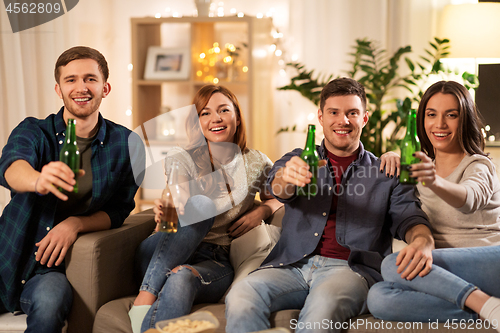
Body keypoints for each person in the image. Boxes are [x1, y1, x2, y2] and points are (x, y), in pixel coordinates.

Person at [224, 77, 435, 333]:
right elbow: (274, 187)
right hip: (291, 265)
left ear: (364, 119)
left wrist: (424, 242)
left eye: (352, 113)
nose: (343, 121)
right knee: (241, 295)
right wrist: (288, 179)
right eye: (334, 112)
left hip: (348, 271)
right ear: (321, 117)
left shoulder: (385, 172)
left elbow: (410, 218)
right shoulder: (299, 159)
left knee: (318, 317)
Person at [0, 46, 144, 333]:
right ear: (58, 88)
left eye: (90, 79)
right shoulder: (33, 131)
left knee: (50, 307)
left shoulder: (128, 144)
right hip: (9, 252)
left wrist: (75, 223)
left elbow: (119, 210)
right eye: (71, 79)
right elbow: (11, 169)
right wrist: (39, 180)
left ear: (106, 87)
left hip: (49, 271)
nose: (81, 87)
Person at [128, 84, 281, 333]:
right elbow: (178, 192)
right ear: (197, 122)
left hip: (214, 259)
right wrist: (172, 202)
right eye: (205, 113)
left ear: (237, 116)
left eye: (223, 110)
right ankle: (144, 298)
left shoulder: (256, 161)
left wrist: (263, 210)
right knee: (200, 204)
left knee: (181, 278)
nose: (215, 118)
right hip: (163, 247)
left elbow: (284, 195)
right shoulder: (182, 156)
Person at [368, 80, 500, 330]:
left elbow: (468, 199)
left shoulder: (478, 165)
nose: (439, 124)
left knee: (391, 265)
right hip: (447, 272)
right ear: (422, 120)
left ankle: (483, 301)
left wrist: (433, 180)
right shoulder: (419, 166)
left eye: (451, 115)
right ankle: (485, 308)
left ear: (465, 120)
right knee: (378, 297)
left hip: (490, 262)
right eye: (431, 115)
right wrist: (391, 157)